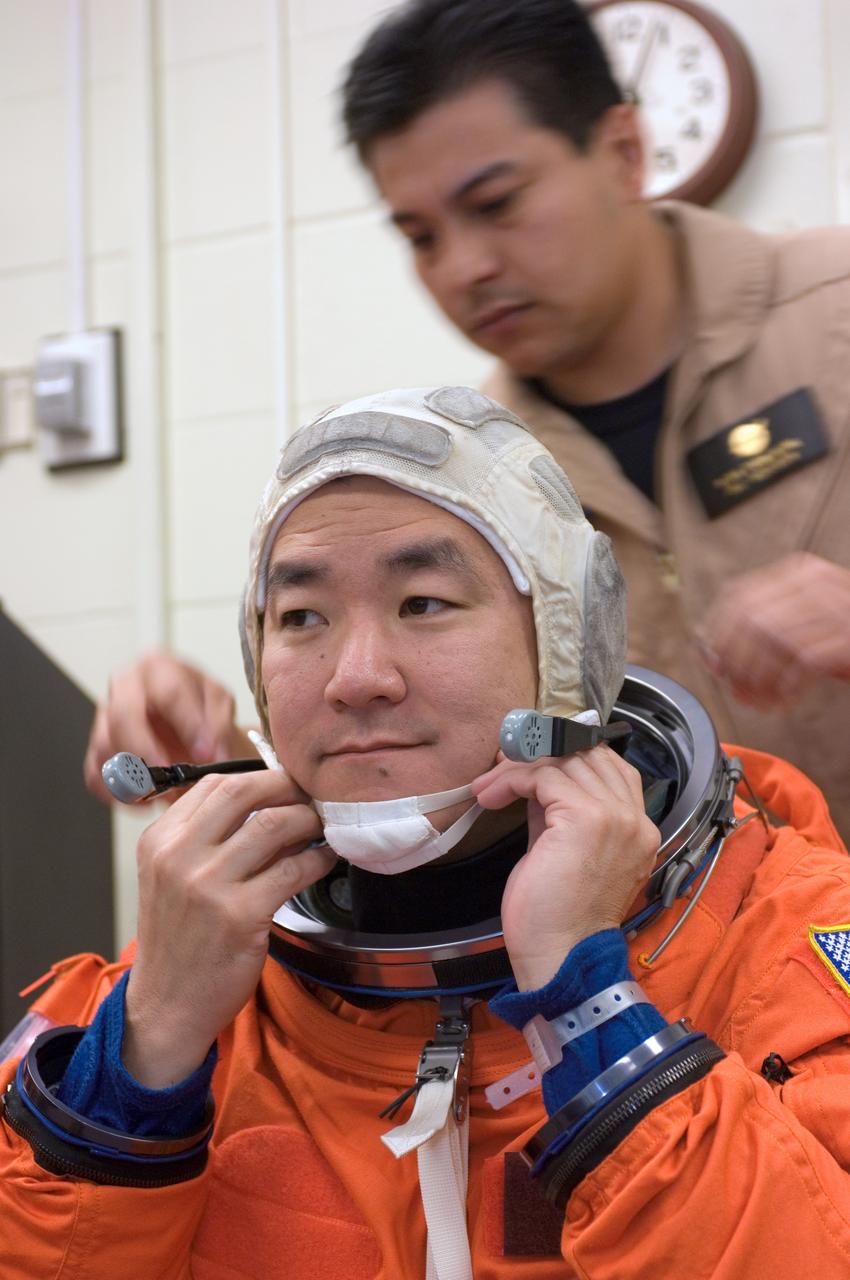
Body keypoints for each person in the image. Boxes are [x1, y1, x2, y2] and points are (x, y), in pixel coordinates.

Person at [3, 386, 850, 1279]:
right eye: (302, 619)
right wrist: (150, 1044)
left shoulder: (784, 942)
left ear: (566, 648)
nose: (355, 678)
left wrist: (588, 995)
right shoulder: (193, 975)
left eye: (424, 603)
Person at [82, 0, 850, 834]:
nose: (465, 268)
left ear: (624, 152)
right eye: (420, 236)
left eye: (496, 204)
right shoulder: (483, 484)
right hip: (688, 949)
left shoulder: (834, 314)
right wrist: (237, 756)